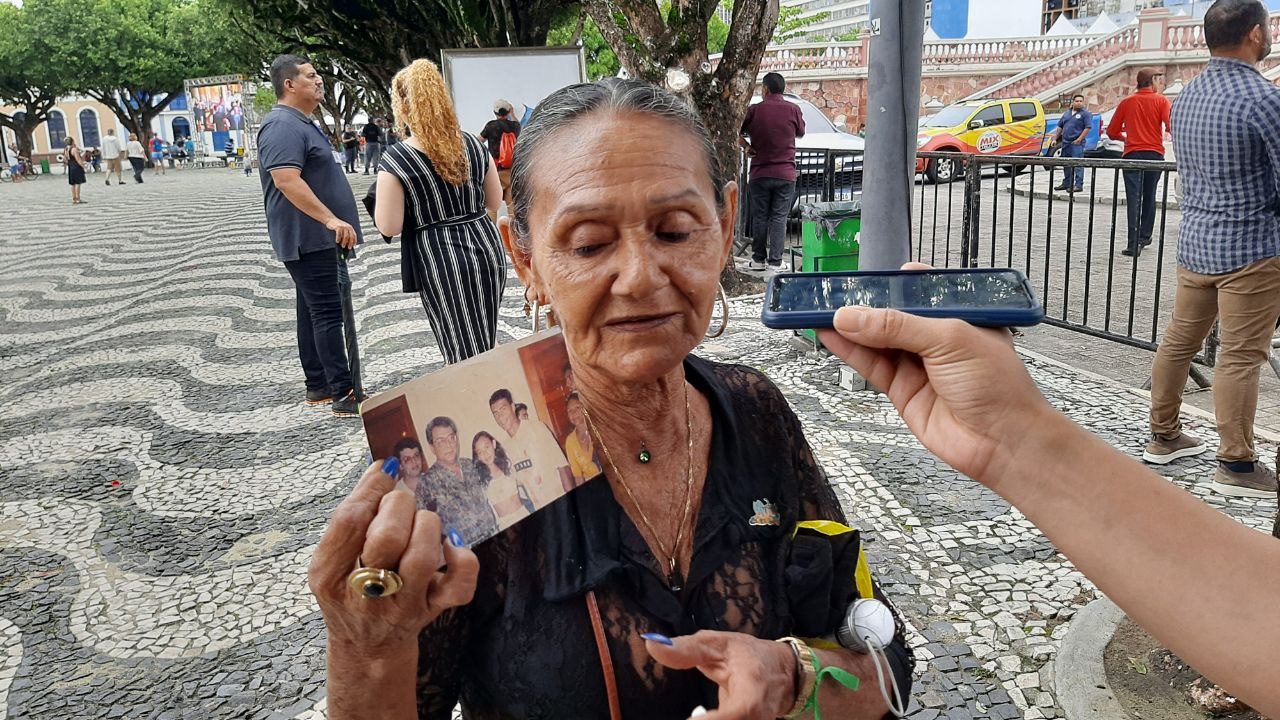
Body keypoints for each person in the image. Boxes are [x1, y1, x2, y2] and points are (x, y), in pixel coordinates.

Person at [309, 79, 913, 720]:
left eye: (676, 231)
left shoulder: (756, 409)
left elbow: (879, 649)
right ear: (526, 258)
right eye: (590, 244)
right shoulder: (465, 478)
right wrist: (364, 648)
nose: (641, 276)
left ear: (727, 223)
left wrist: (796, 675)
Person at [1142, 0, 1280, 497]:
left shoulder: (1188, 95)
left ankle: (1163, 436)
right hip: (1252, 250)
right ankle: (1236, 466)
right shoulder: (1264, 99)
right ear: (1254, 35)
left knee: (1179, 340)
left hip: (1197, 244)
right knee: (1241, 357)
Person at [373, 59, 507, 365]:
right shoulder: (473, 144)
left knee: (461, 351)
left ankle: (475, 406)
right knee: (484, 339)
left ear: (404, 107)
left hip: (440, 255)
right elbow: (495, 200)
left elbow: (389, 225)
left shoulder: (397, 159)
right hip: (485, 246)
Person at [256, 53, 362, 417]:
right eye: (311, 75)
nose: (319, 81)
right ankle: (342, 391)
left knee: (312, 309)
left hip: (315, 237)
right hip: (309, 236)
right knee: (327, 313)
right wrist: (330, 219)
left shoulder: (302, 122)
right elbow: (286, 180)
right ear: (289, 84)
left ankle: (318, 385)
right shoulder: (282, 125)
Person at [740, 71, 805, 275]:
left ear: (765, 89)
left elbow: (736, 130)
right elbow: (801, 132)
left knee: (760, 216)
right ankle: (776, 262)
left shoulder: (753, 110)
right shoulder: (793, 110)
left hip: (759, 172)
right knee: (779, 217)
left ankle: (758, 259)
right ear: (782, 89)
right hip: (785, 173)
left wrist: (746, 146)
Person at [1108, 67, 1172, 257]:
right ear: (1152, 82)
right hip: (1154, 154)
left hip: (1132, 154)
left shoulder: (1127, 102)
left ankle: (1132, 243)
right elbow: (1170, 125)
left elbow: (1112, 131)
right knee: (1150, 196)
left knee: (1134, 198)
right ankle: (1145, 235)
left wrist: (1126, 138)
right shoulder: (1161, 101)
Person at [417, 417, 498, 542]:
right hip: (466, 553)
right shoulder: (426, 484)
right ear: (432, 447)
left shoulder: (471, 465)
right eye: (440, 441)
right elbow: (425, 531)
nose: (448, 445)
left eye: (451, 438)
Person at [489, 389, 572, 508]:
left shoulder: (537, 428)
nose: (500, 416)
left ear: (513, 407)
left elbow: (563, 466)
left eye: (503, 409)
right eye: (495, 413)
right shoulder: (505, 447)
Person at [472, 431, 532, 530]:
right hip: (506, 524)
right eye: (480, 452)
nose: (485, 454)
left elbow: (527, 482)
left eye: (487, 447)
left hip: (523, 513)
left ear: (494, 444)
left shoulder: (508, 465)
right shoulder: (480, 480)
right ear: (477, 456)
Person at [478, 99, 520, 218]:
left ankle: (492, 235)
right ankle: (513, 234)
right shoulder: (515, 126)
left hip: (496, 171)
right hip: (512, 171)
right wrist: (512, 114)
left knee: (492, 207)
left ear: (495, 112)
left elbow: (479, 140)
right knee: (511, 206)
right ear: (508, 112)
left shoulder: (491, 126)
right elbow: (517, 123)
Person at [1053, 94, 1092, 192]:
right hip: (1066, 143)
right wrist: (1055, 139)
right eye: (1077, 101)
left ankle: (1078, 185)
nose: (1079, 103)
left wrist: (1079, 139)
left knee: (1078, 163)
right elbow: (1059, 127)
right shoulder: (1067, 113)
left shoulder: (1085, 114)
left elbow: (1087, 128)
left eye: (1081, 101)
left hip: (1077, 143)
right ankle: (1067, 183)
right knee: (1066, 163)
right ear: (1073, 102)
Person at [563, 391, 602, 485]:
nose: (573, 413)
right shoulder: (570, 441)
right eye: (569, 410)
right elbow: (578, 476)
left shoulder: (599, 429)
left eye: (577, 407)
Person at [64, 136, 87, 205]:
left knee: (72, 184)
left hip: (71, 167)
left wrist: (69, 164)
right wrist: (83, 166)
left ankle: (74, 198)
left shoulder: (66, 149)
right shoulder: (74, 149)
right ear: (72, 141)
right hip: (76, 167)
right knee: (77, 183)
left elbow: (65, 159)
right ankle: (78, 198)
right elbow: (78, 159)